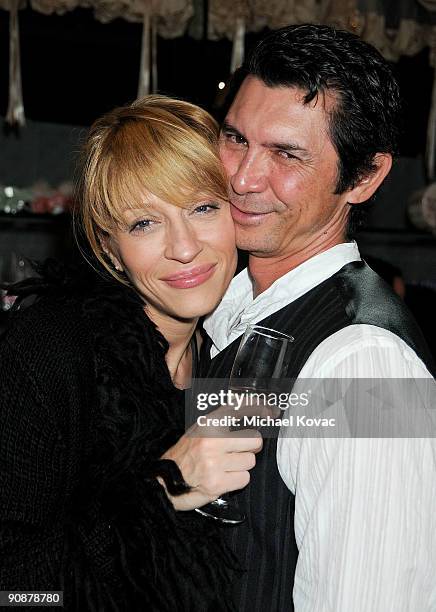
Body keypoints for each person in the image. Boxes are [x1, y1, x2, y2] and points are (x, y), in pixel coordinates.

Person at [198, 24, 436, 611]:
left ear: (364, 177)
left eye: (286, 154)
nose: (242, 177)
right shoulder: (220, 300)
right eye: (234, 138)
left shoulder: (367, 366)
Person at [0, 95, 262, 611]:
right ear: (109, 246)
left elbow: (380, 412)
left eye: (203, 208)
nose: (184, 247)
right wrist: (162, 494)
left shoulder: (235, 347)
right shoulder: (50, 352)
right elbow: (15, 591)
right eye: (144, 223)